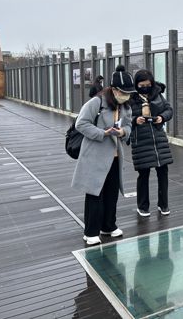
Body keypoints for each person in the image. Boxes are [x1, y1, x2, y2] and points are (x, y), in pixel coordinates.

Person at [71, 65, 135, 245]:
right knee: (94, 193)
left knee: (112, 193)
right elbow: (81, 124)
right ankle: (90, 231)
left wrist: (122, 132)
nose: (126, 96)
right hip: (95, 155)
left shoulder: (126, 107)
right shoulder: (96, 103)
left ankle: (109, 226)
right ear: (113, 90)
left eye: (129, 93)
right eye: (123, 92)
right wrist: (103, 133)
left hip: (115, 156)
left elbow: (129, 126)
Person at [129, 69, 174, 217]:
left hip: (158, 138)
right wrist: (135, 120)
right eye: (142, 85)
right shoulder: (130, 98)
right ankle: (143, 206)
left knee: (163, 172)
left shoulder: (157, 94)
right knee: (143, 173)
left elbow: (169, 110)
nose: (145, 87)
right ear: (136, 84)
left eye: (148, 84)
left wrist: (161, 117)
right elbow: (123, 119)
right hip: (140, 139)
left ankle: (164, 204)